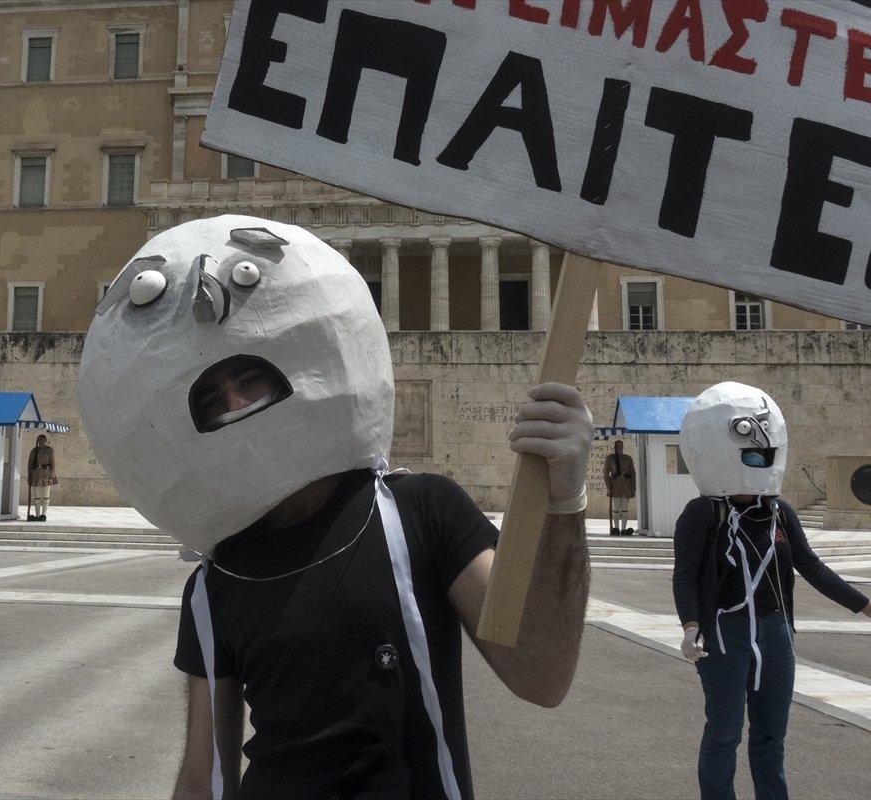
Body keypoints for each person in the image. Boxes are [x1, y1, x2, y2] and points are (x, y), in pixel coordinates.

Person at [77, 216, 593, 800]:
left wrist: (565, 503)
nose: (238, 406)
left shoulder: (421, 512)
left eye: (249, 378)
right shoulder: (212, 586)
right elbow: (205, 776)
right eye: (212, 399)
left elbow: (541, 672)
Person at [672, 382, 871, 800]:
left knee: (771, 737)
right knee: (724, 734)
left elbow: (810, 566)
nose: (759, 460)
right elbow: (684, 575)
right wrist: (690, 626)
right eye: (750, 453)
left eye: (763, 453)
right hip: (725, 634)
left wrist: (868, 606)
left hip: (775, 635)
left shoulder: (780, 512)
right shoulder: (703, 512)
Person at [602, 439, 635, 535]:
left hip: (626, 486)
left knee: (624, 509)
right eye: (618, 446)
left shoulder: (628, 458)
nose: (620, 447)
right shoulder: (610, 458)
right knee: (615, 510)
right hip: (615, 487)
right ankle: (616, 528)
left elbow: (633, 473)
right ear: (615, 447)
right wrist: (608, 487)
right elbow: (605, 474)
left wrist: (633, 487)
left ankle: (623, 529)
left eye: (621, 445)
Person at [27, 433, 58, 522]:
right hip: (36, 475)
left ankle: (43, 515)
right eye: (39, 440)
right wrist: (29, 476)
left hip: (46, 475)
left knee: (45, 496)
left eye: (42, 440)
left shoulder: (49, 450)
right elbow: (30, 464)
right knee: (36, 497)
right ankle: (37, 515)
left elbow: (53, 464)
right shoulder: (34, 451)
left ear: (45, 440)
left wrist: (51, 477)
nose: (41, 441)